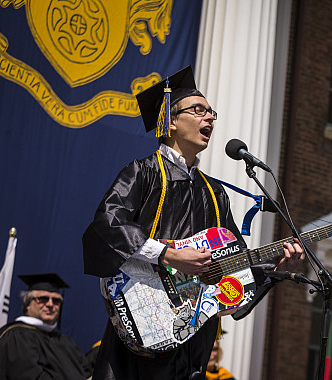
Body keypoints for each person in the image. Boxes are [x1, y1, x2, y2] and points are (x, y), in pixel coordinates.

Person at [82, 65, 304, 380]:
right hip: (144, 327)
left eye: (211, 112)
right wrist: (168, 255)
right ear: (171, 121)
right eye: (199, 110)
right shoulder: (143, 173)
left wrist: (276, 272)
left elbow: (232, 267)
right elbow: (107, 224)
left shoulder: (214, 193)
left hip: (193, 339)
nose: (210, 118)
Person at [0, 273, 90, 379]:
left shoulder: (64, 341)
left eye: (56, 300)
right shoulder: (17, 336)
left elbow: (85, 370)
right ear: (28, 304)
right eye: (43, 298)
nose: (50, 304)